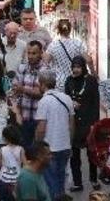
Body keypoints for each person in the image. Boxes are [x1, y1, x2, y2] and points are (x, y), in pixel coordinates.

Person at [34, 70, 74, 200]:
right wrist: (70, 142)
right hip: (65, 146)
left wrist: (37, 145)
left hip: (50, 148)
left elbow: (41, 128)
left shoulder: (44, 101)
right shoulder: (67, 98)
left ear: (42, 83)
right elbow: (71, 125)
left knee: (51, 182)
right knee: (61, 180)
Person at [64, 55, 100, 192]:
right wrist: (71, 102)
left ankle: (94, 179)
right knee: (74, 155)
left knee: (91, 154)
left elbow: (96, 102)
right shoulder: (69, 80)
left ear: (83, 67)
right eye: (74, 67)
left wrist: (95, 123)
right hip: (74, 123)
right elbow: (66, 97)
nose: (76, 70)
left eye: (78, 67)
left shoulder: (90, 80)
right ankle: (77, 182)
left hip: (89, 121)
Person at [13, 41, 45, 148]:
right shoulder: (22, 68)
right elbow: (14, 90)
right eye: (29, 53)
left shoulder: (45, 71)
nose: (30, 56)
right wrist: (17, 113)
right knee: (24, 150)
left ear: (41, 53)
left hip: (39, 118)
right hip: (23, 117)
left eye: (34, 53)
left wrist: (23, 89)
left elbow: (43, 93)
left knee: (37, 150)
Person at [43, 18, 87, 90]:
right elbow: (88, 60)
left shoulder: (53, 45)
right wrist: (93, 73)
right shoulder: (77, 43)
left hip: (58, 82)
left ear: (58, 30)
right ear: (70, 29)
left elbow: (45, 62)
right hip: (75, 80)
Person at [0, 126, 26, 191]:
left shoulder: (2, 149)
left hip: (3, 177)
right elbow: (25, 165)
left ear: (5, 138)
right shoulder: (20, 149)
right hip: (17, 176)